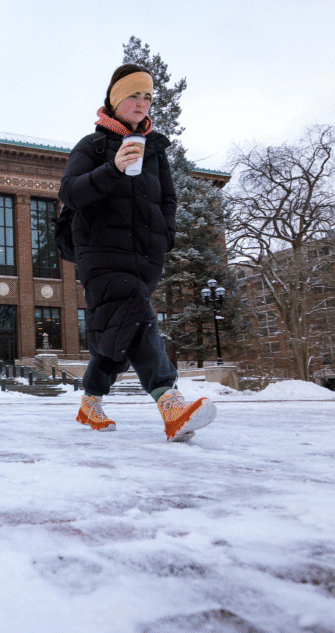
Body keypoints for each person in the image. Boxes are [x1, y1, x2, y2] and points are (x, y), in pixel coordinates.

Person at [58, 64, 216, 442]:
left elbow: (167, 199)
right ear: (115, 101)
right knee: (138, 317)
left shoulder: (156, 150)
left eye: (147, 96)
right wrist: (112, 168)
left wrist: (166, 237)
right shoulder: (92, 146)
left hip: (144, 255)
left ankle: (90, 401)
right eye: (133, 95)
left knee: (123, 326)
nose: (142, 103)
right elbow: (70, 193)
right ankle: (170, 402)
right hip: (100, 252)